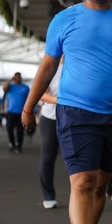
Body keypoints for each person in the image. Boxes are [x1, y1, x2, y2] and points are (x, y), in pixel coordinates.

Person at [21, 0, 112, 224]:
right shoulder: (64, 19)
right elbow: (47, 67)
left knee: (99, 187)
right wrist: (28, 106)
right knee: (82, 182)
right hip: (74, 111)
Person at [38, 58, 63, 209]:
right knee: (48, 158)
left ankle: (84, 194)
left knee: (78, 160)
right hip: (50, 118)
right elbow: (41, 92)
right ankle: (48, 196)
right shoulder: (50, 66)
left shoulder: (79, 62)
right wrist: (62, 100)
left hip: (74, 118)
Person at [2, 72, 29, 154]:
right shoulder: (10, 86)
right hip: (11, 112)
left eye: (19, 77)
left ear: (21, 78)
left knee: (20, 130)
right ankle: (12, 143)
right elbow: (4, 88)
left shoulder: (25, 87)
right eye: (15, 77)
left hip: (21, 112)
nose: (17, 78)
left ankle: (18, 146)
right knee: (9, 128)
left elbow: (29, 99)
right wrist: (10, 80)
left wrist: (29, 111)